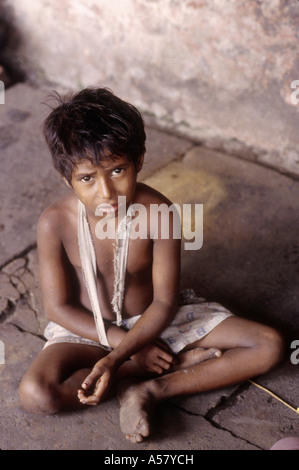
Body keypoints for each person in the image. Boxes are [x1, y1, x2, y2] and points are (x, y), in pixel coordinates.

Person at [19, 87, 285, 443]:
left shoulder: (159, 214)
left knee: (269, 344)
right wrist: (126, 350)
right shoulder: (55, 222)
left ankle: (152, 389)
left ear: (139, 160)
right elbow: (58, 307)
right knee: (36, 394)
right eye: (87, 179)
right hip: (89, 330)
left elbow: (164, 302)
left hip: (157, 322)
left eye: (117, 170)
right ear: (66, 178)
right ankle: (146, 369)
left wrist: (123, 354)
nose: (107, 192)